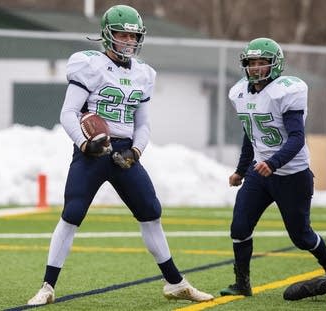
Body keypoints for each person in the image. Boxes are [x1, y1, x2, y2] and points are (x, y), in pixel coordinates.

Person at [27, 4, 213, 306]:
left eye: (133, 35)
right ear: (107, 35)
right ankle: (47, 287)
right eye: (122, 34)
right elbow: (69, 113)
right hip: (93, 150)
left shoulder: (143, 73)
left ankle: (175, 283)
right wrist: (86, 145)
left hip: (125, 152)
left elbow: (143, 124)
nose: (128, 41)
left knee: (151, 212)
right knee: (72, 215)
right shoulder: (89, 64)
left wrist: (136, 152)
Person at [220, 37, 326, 297]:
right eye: (251, 63)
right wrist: (242, 170)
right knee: (239, 227)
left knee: (301, 237)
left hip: (292, 175)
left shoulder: (286, 91)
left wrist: (273, 162)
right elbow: (251, 134)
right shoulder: (240, 92)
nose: (255, 68)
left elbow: (297, 138)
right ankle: (242, 283)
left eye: (261, 63)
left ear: (274, 65)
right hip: (260, 173)